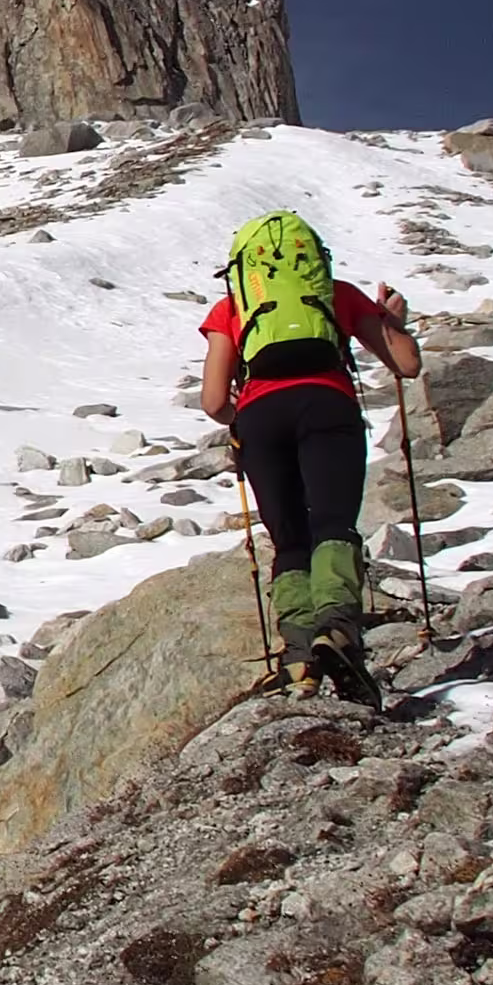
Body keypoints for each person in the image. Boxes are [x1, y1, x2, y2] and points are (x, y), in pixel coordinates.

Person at [196, 209, 421, 693]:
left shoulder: (232, 308)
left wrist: (243, 421)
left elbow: (214, 401)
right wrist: (393, 321)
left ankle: (298, 656)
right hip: (327, 406)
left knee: (290, 538)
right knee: (332, 524)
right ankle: (337, 628)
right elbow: (407, 365)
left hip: (259, 419)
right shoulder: (335, 293)